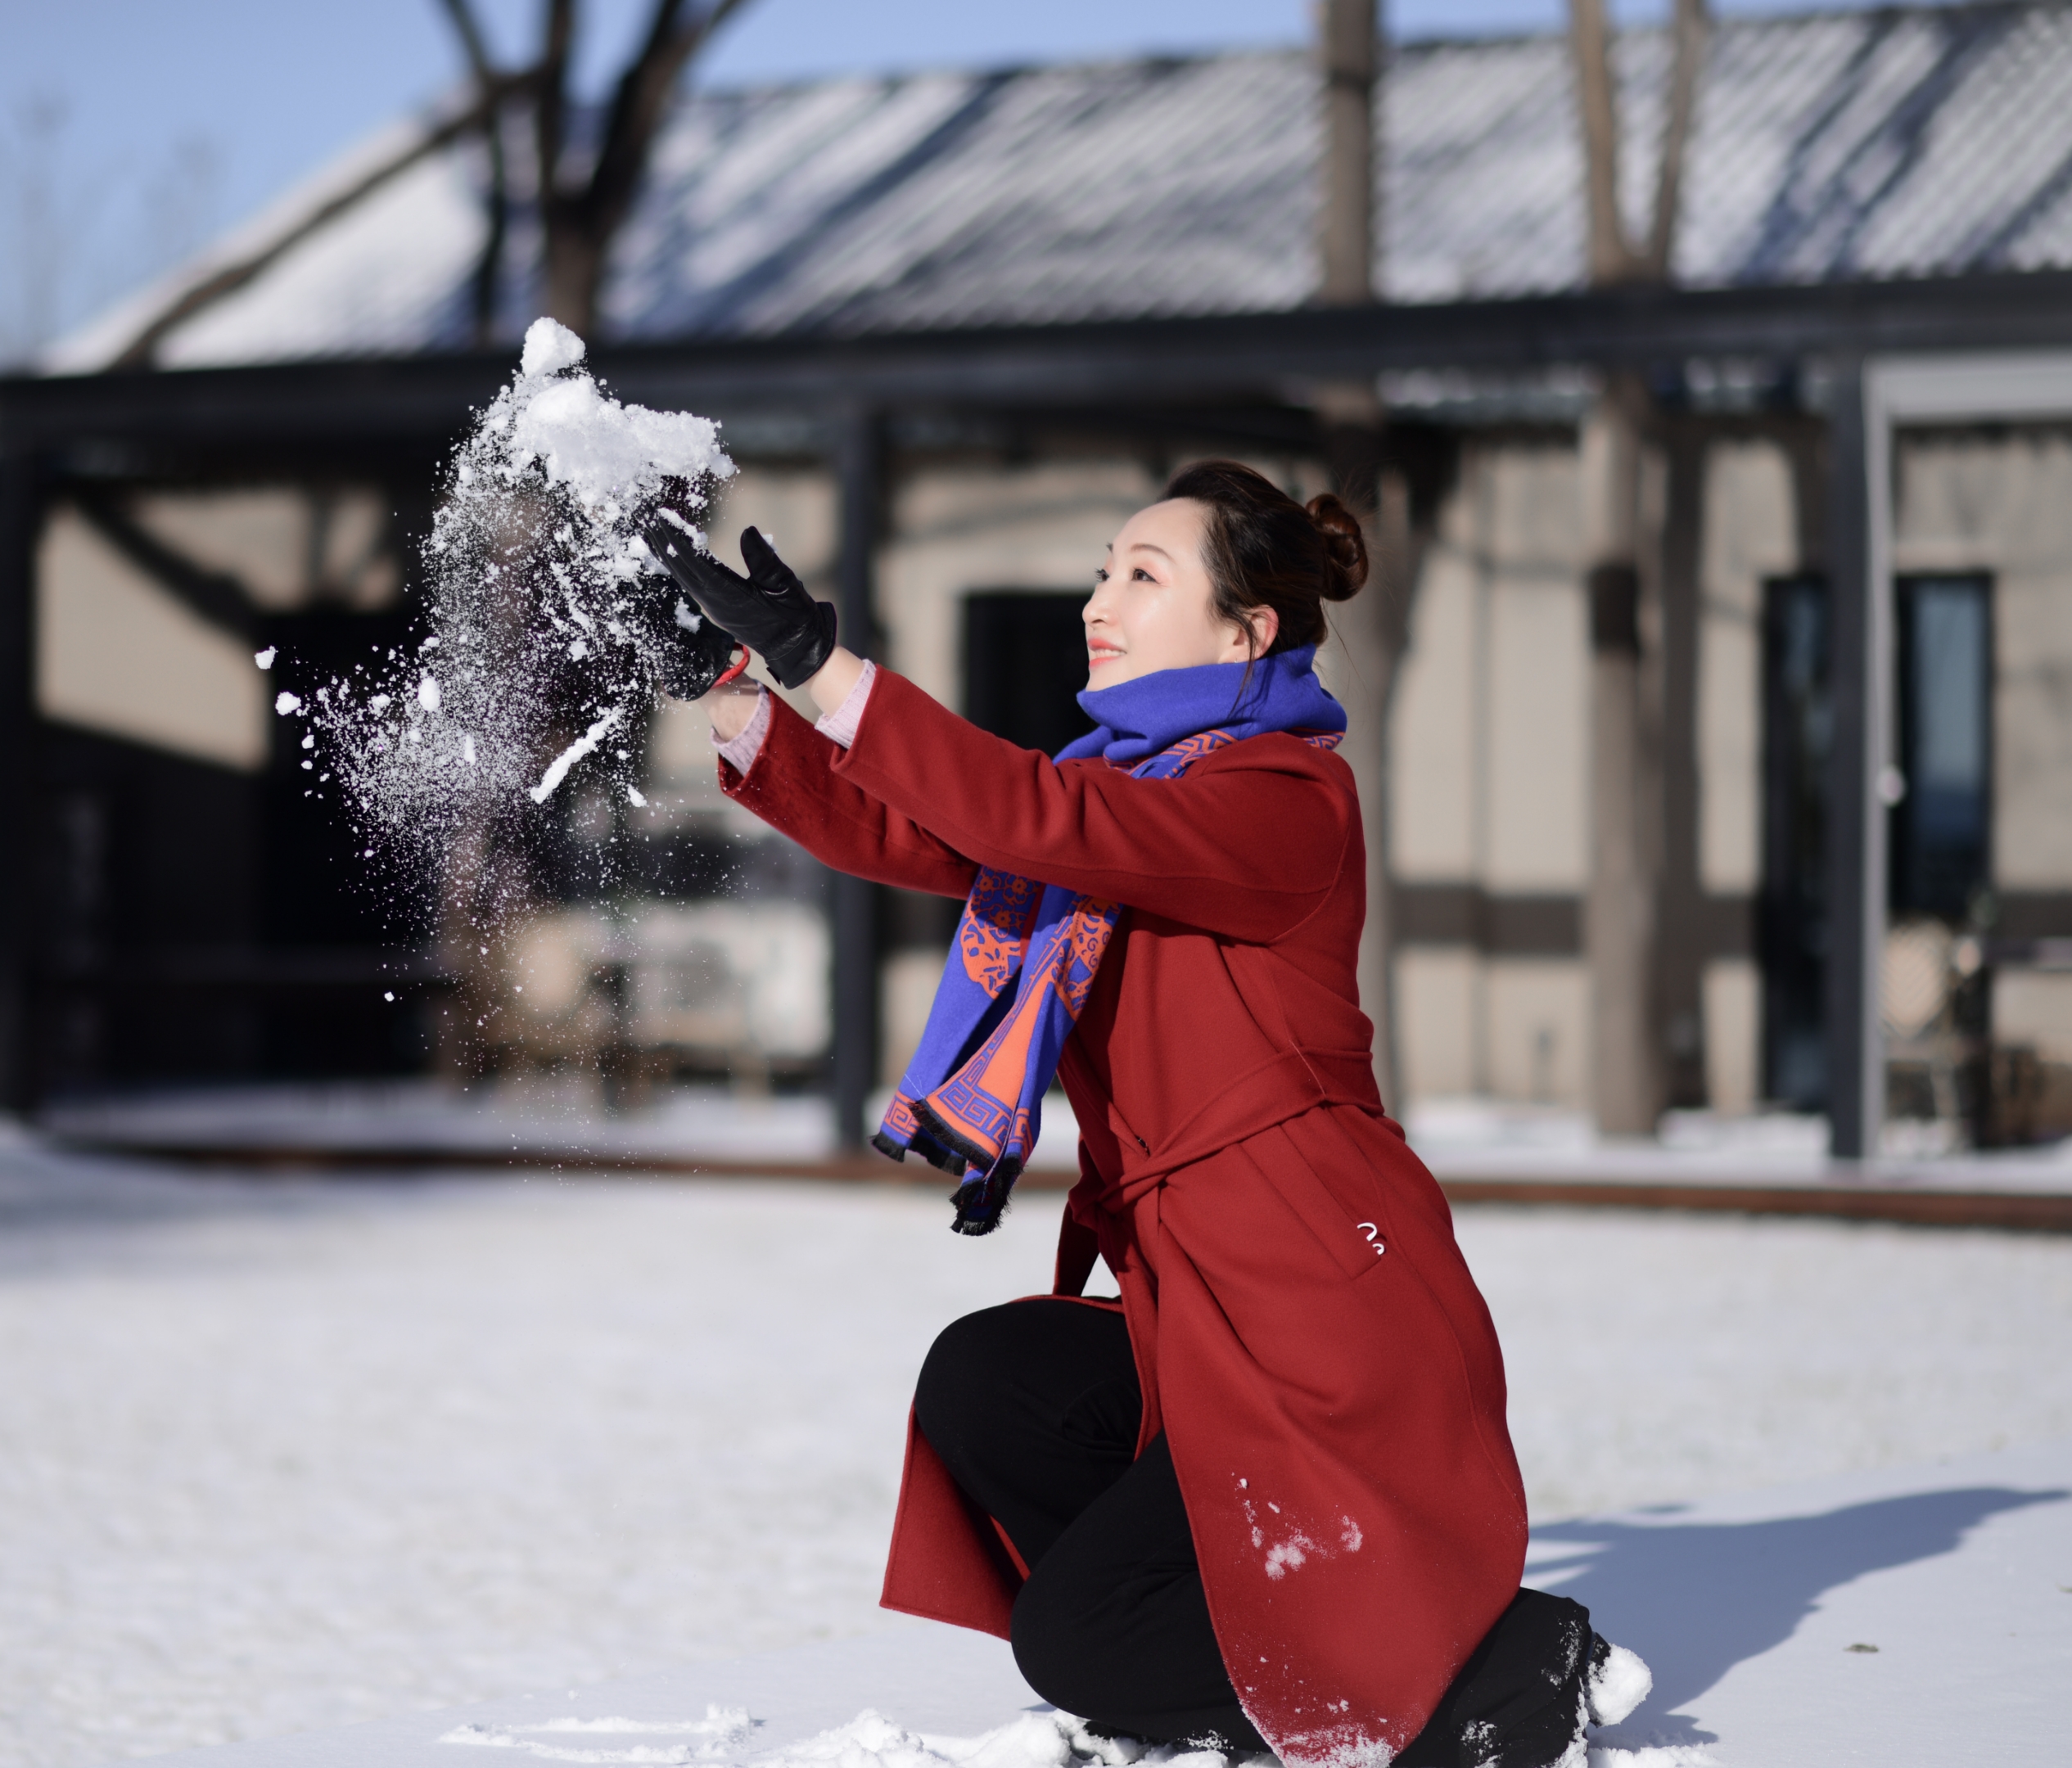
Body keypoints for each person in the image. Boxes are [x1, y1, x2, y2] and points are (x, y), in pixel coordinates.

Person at [643, 462, 1647, 1768]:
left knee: (1078, 1646)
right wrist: (733, 686)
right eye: (1104, 569)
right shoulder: (1126, 791)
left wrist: (828, 667)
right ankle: (1243, 1643)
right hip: (1206, 1307)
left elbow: (1031, 814)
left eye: (1141, 576)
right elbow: (928, 829)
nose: (1096, 603)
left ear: (1248, 633)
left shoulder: (1280, 800)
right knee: (986, 1384)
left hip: (1319, 1315)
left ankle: (1490, 1670)